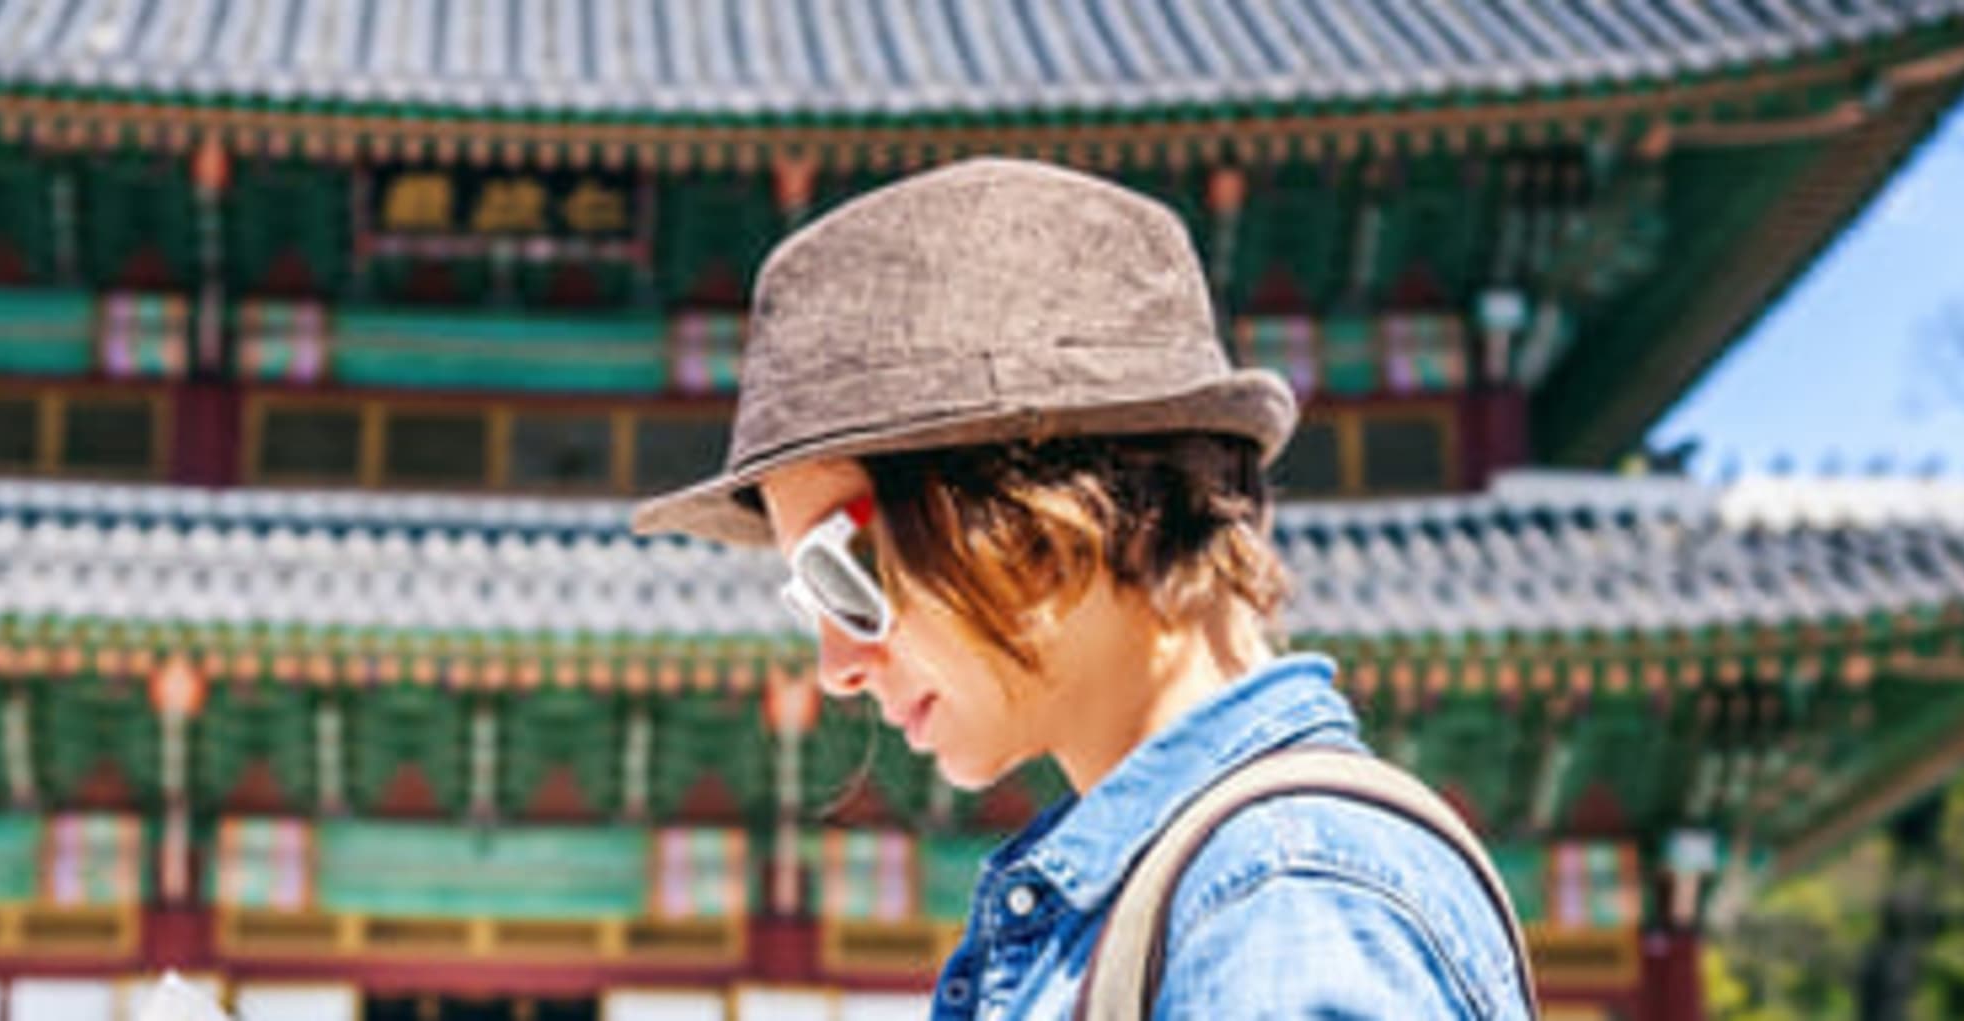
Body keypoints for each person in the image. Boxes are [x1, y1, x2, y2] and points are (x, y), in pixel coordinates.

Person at [632, 158, 1533, 1019]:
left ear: (1042, 513)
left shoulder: (1283, 902)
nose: (836, 665)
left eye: (844, 574)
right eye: (810, 598)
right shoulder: (1215, 893)